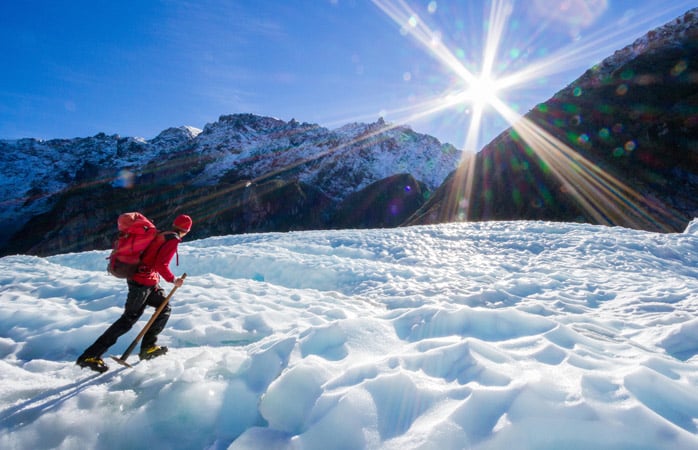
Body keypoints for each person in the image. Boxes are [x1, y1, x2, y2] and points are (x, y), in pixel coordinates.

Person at [76, 214, 193, 373]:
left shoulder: (163, 234)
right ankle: (89, 356)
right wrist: (174, 280)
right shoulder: (172, 240)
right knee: (127, 320)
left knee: (164, 307)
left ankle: (148, 347)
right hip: (141, 283)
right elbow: (161, 264)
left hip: (147, 282)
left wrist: (155, 283)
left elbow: (151, 260)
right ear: (187, 230)